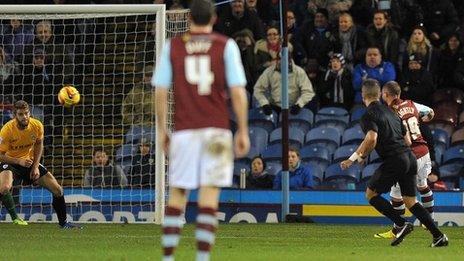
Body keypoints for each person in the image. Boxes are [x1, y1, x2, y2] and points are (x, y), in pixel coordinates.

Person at [153, 0, 250, 260]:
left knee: (178, 194)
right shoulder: (225, 46)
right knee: (209, 195)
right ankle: (202, 258)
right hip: (217, 131)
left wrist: (162, 129)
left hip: (184, 131)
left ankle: (168, 257)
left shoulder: (172, 46)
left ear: (188, 19)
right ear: (215, 18)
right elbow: (238, 92)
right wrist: (242, 129)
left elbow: (161, 90)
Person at [340, 79, 448, 247]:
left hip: (395, 159)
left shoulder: (368, 115)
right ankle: (438, 236)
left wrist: (358, 157)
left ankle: (401, 223)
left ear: (363, 96)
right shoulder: (392, 112)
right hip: (409, 157)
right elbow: (407, 139)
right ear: (379, 95)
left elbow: (371, 138)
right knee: (410, 201)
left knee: (371, 194)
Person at [0, 100, 80, 229]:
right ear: (15, 115)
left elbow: (38, 144)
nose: (24, 117)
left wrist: (36, 166)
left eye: (26, 113)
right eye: (21, 114)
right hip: (10, 162)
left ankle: (63, 223)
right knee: (4, 188)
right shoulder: (7, 130)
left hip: (29, 162)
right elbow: (1, 155)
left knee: (58, 190)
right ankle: (15, 218)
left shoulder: (37, 125)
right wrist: (18, 161)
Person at [374, 81, 436, 239]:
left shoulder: (389, 112)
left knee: (396, 194)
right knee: (423, 185)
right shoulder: (411, 103)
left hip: (409, 155)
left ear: (385, 94)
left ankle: (397, 229)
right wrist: (422, 120)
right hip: (424, 151)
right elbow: (430, 112)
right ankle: (429, 221)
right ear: (399, 93)